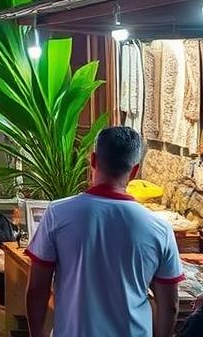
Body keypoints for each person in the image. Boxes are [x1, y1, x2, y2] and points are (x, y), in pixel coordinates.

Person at [26, 126, 182, 337]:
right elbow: (169, 305)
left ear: (93, 160)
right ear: (135, 171)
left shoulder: (58, 213)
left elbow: (37, 289)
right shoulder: (160, 229)